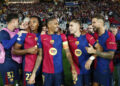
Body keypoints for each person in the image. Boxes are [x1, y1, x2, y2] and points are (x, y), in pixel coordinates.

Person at [28, 17, 77, 86]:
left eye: (58, 24)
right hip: (46, 72)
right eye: (55, 24)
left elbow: (68, 53)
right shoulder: (41, 38)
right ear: (49, 25)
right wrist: (33, 73)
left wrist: (73, 68)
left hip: (59, 72)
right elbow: (39, 56)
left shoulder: (62, 37)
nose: (58, 25)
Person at [86, 14, 117, 86]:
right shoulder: (95, 35)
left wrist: (94, 51)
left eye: (94, 22)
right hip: (96, 68)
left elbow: (111, 55)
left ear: (100, 23)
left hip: (106, 70)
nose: (92, 25)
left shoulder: (110, 36)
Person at [68, 19, 100, 86]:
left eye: (71, 25)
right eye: (69, 26)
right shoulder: (68, 38)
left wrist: (90, 59)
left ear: (78, 26)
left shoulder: (87, 36)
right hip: (76, 69)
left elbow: (99, 48)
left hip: (87, 68)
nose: (69, 27)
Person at [12, 16, 42, 86]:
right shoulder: (24, 35)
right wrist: (28, 50)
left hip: (43, 67)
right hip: (29, 67)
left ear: (39, 23)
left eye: (34, 22)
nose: (31, 24)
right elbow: (14, 51)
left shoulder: (43, 35)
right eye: (30, 22)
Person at [0, 13, 19, 86]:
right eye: (18, 21)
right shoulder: (3, 33)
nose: (19, 22)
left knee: (15, 83)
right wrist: (18, 35)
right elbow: (7, 46)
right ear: (14, 22)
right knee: (9, 84)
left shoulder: (16, 31)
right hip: (6, 62)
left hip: (15, 61)